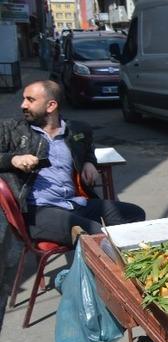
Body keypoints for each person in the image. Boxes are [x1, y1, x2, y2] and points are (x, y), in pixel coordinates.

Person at [0, 80, 145, 247]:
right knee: (96, 235)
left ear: (51, 105)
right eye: (24, 99)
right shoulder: (11, 130)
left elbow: (88, 148)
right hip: (37, 211)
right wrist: (13, 159)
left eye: (30, 100)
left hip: (73, 203)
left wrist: (89, 162)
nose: (23, 105)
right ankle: (104, 261)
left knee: (134, 214)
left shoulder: (76, 130)